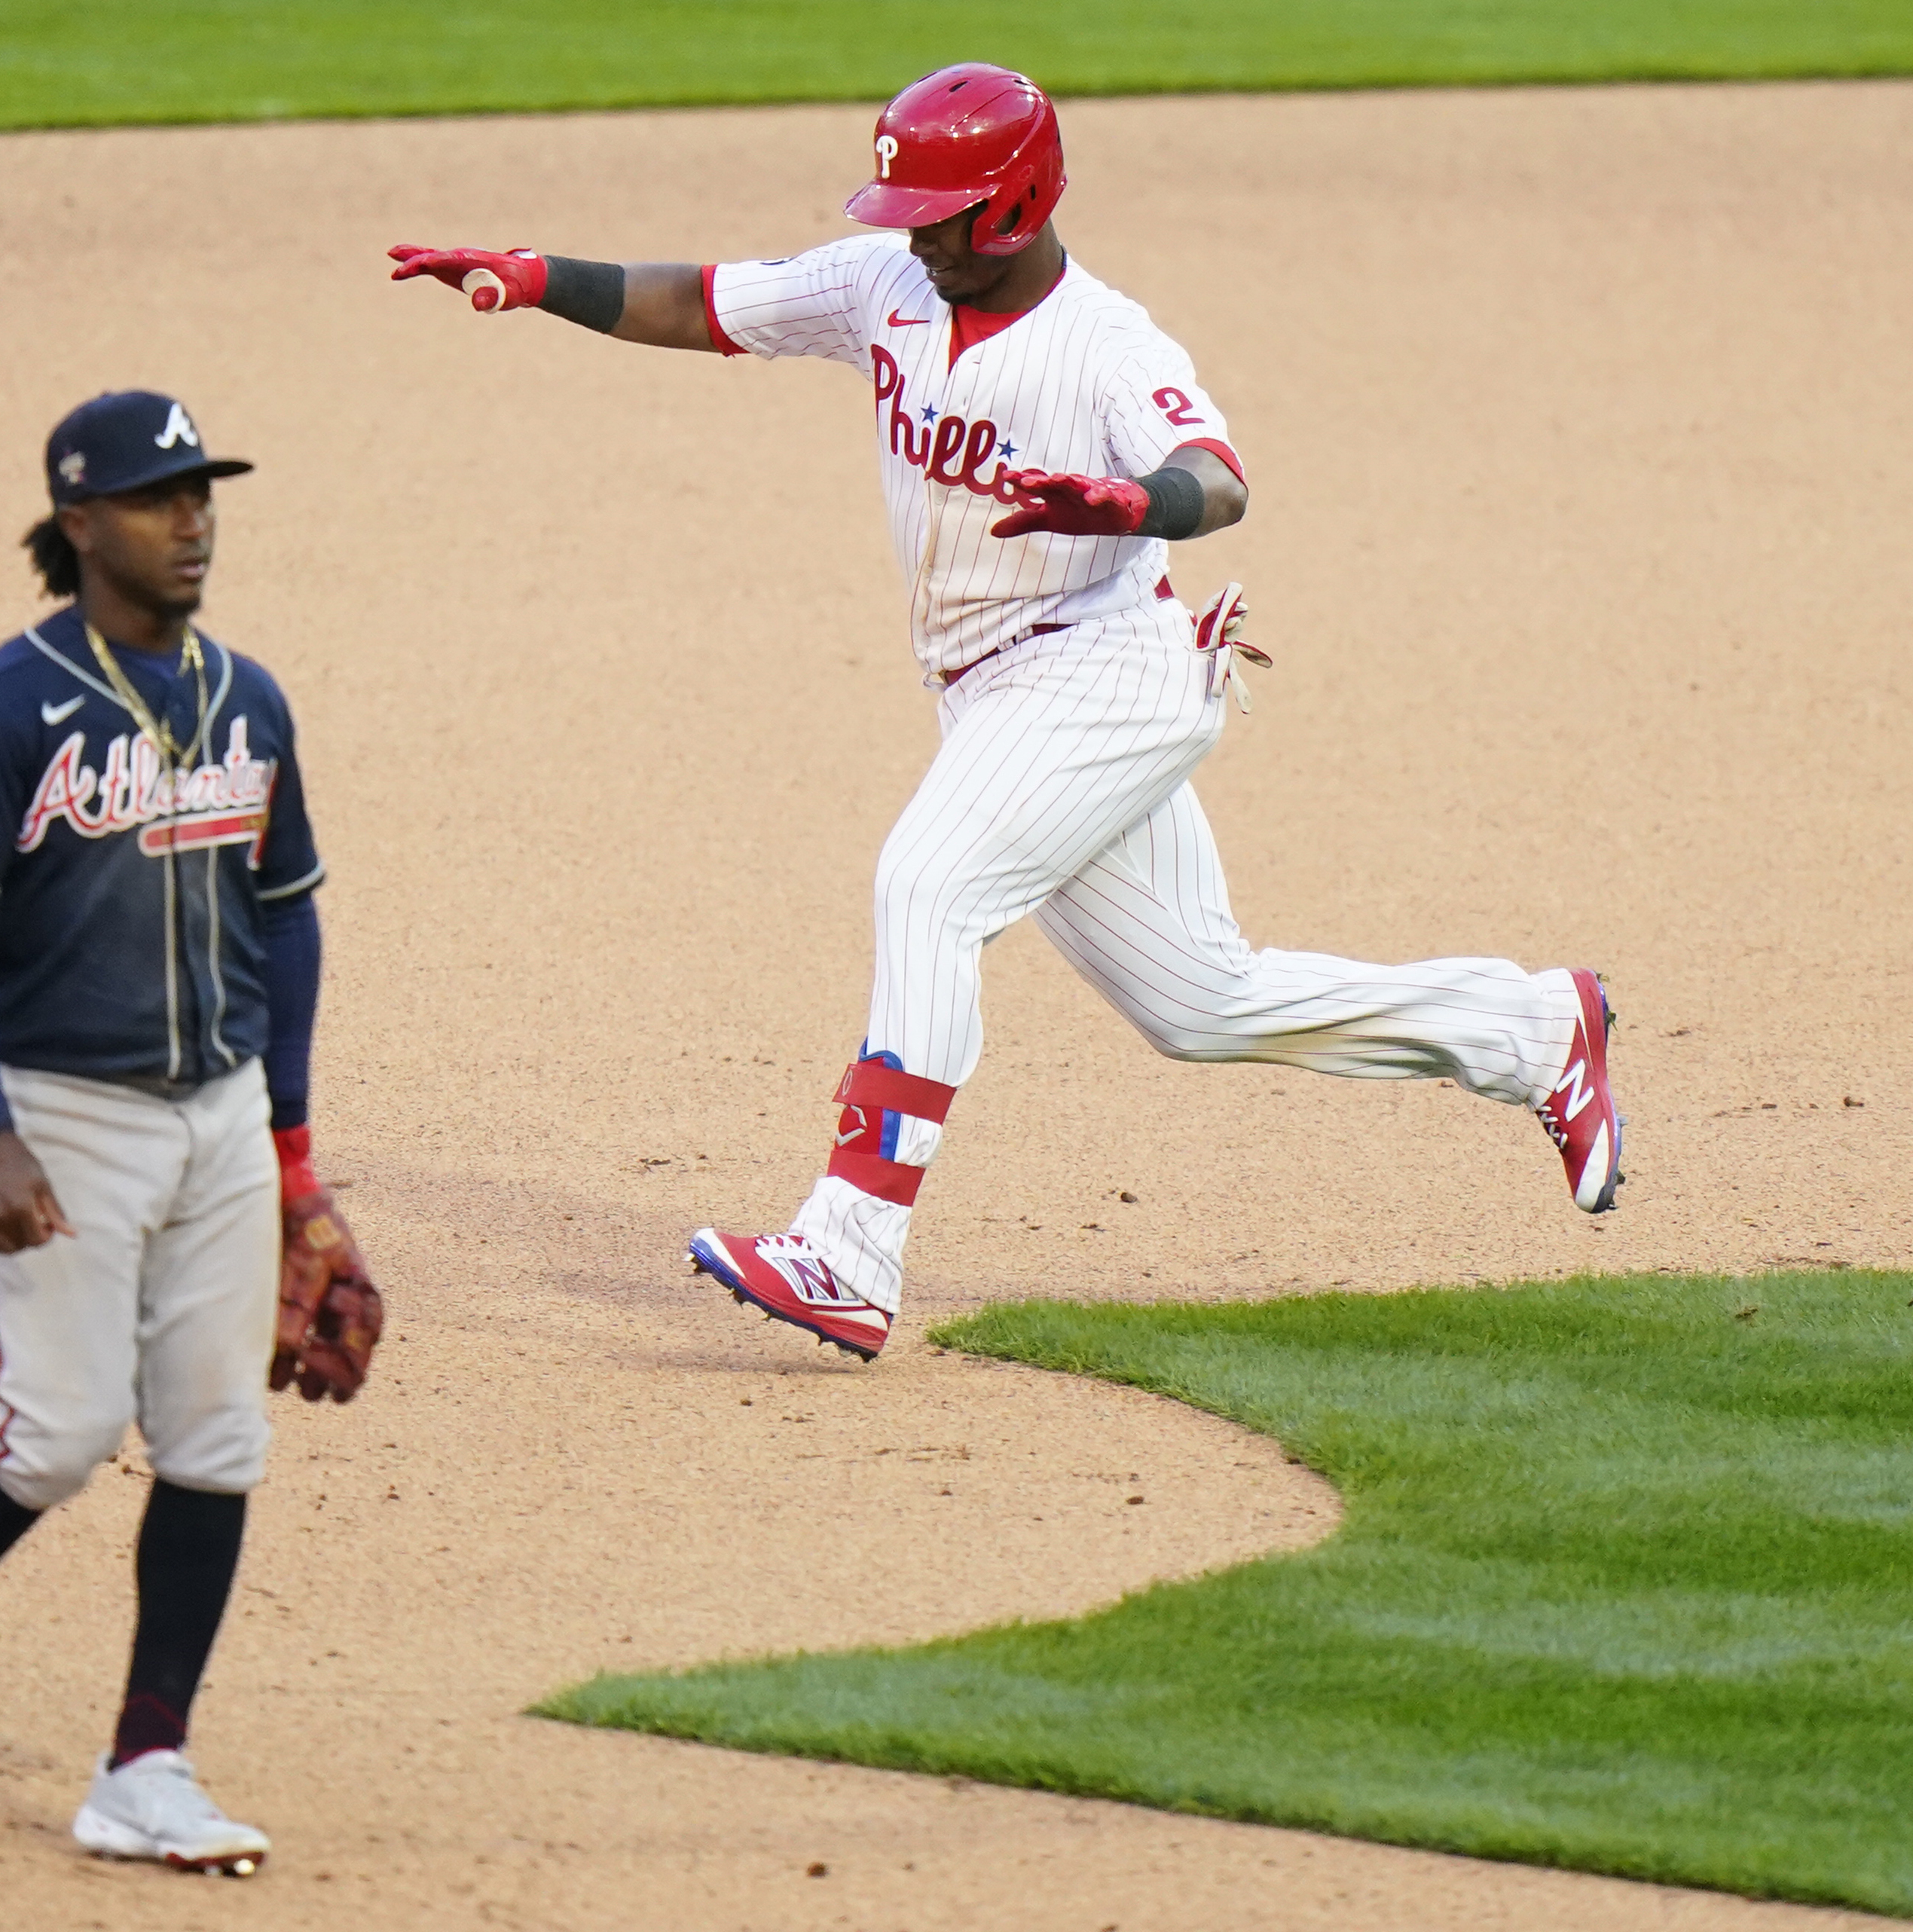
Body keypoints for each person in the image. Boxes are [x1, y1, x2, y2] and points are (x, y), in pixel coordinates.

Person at [390, 64, 1620, 1362]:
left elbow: (1218, 472)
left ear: (1017, 208)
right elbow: (703, 302)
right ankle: (1530, 1028)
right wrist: (536, 279)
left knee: (926, 885)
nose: (911, 234)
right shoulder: (888, 285)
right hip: (999, 693)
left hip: (1107, 667)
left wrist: (1135, 506)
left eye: (938, 212)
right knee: (1202, 1003)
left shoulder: (1106, 342)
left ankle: (849, 1247)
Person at [0, 389, 380, 1872]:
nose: (192, 520)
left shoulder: (250, 699)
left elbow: (288, 923)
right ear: (81, 522)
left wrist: (291, 1151)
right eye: (158, 497)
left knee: (218, 1435)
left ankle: (148, 1765)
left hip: (213, 1116)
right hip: (61, 1118)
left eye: (202, 492)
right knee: (59, 1430)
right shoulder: (1, 706)